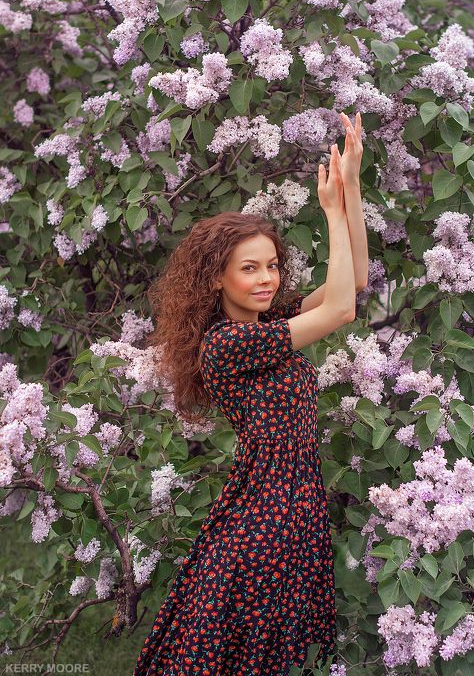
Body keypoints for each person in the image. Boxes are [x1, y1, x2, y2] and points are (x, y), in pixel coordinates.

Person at [132, 113, 364, 676]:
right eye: (249, 269)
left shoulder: (269, 323)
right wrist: (330, 212)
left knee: (258, 653)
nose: (267, 279)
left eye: (273, 266)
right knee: (244, 654)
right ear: (217, 278)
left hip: (288, 506)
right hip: (266, 518)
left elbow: (352, 282)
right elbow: (341, 311)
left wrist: (350, 187)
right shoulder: (228, 346)